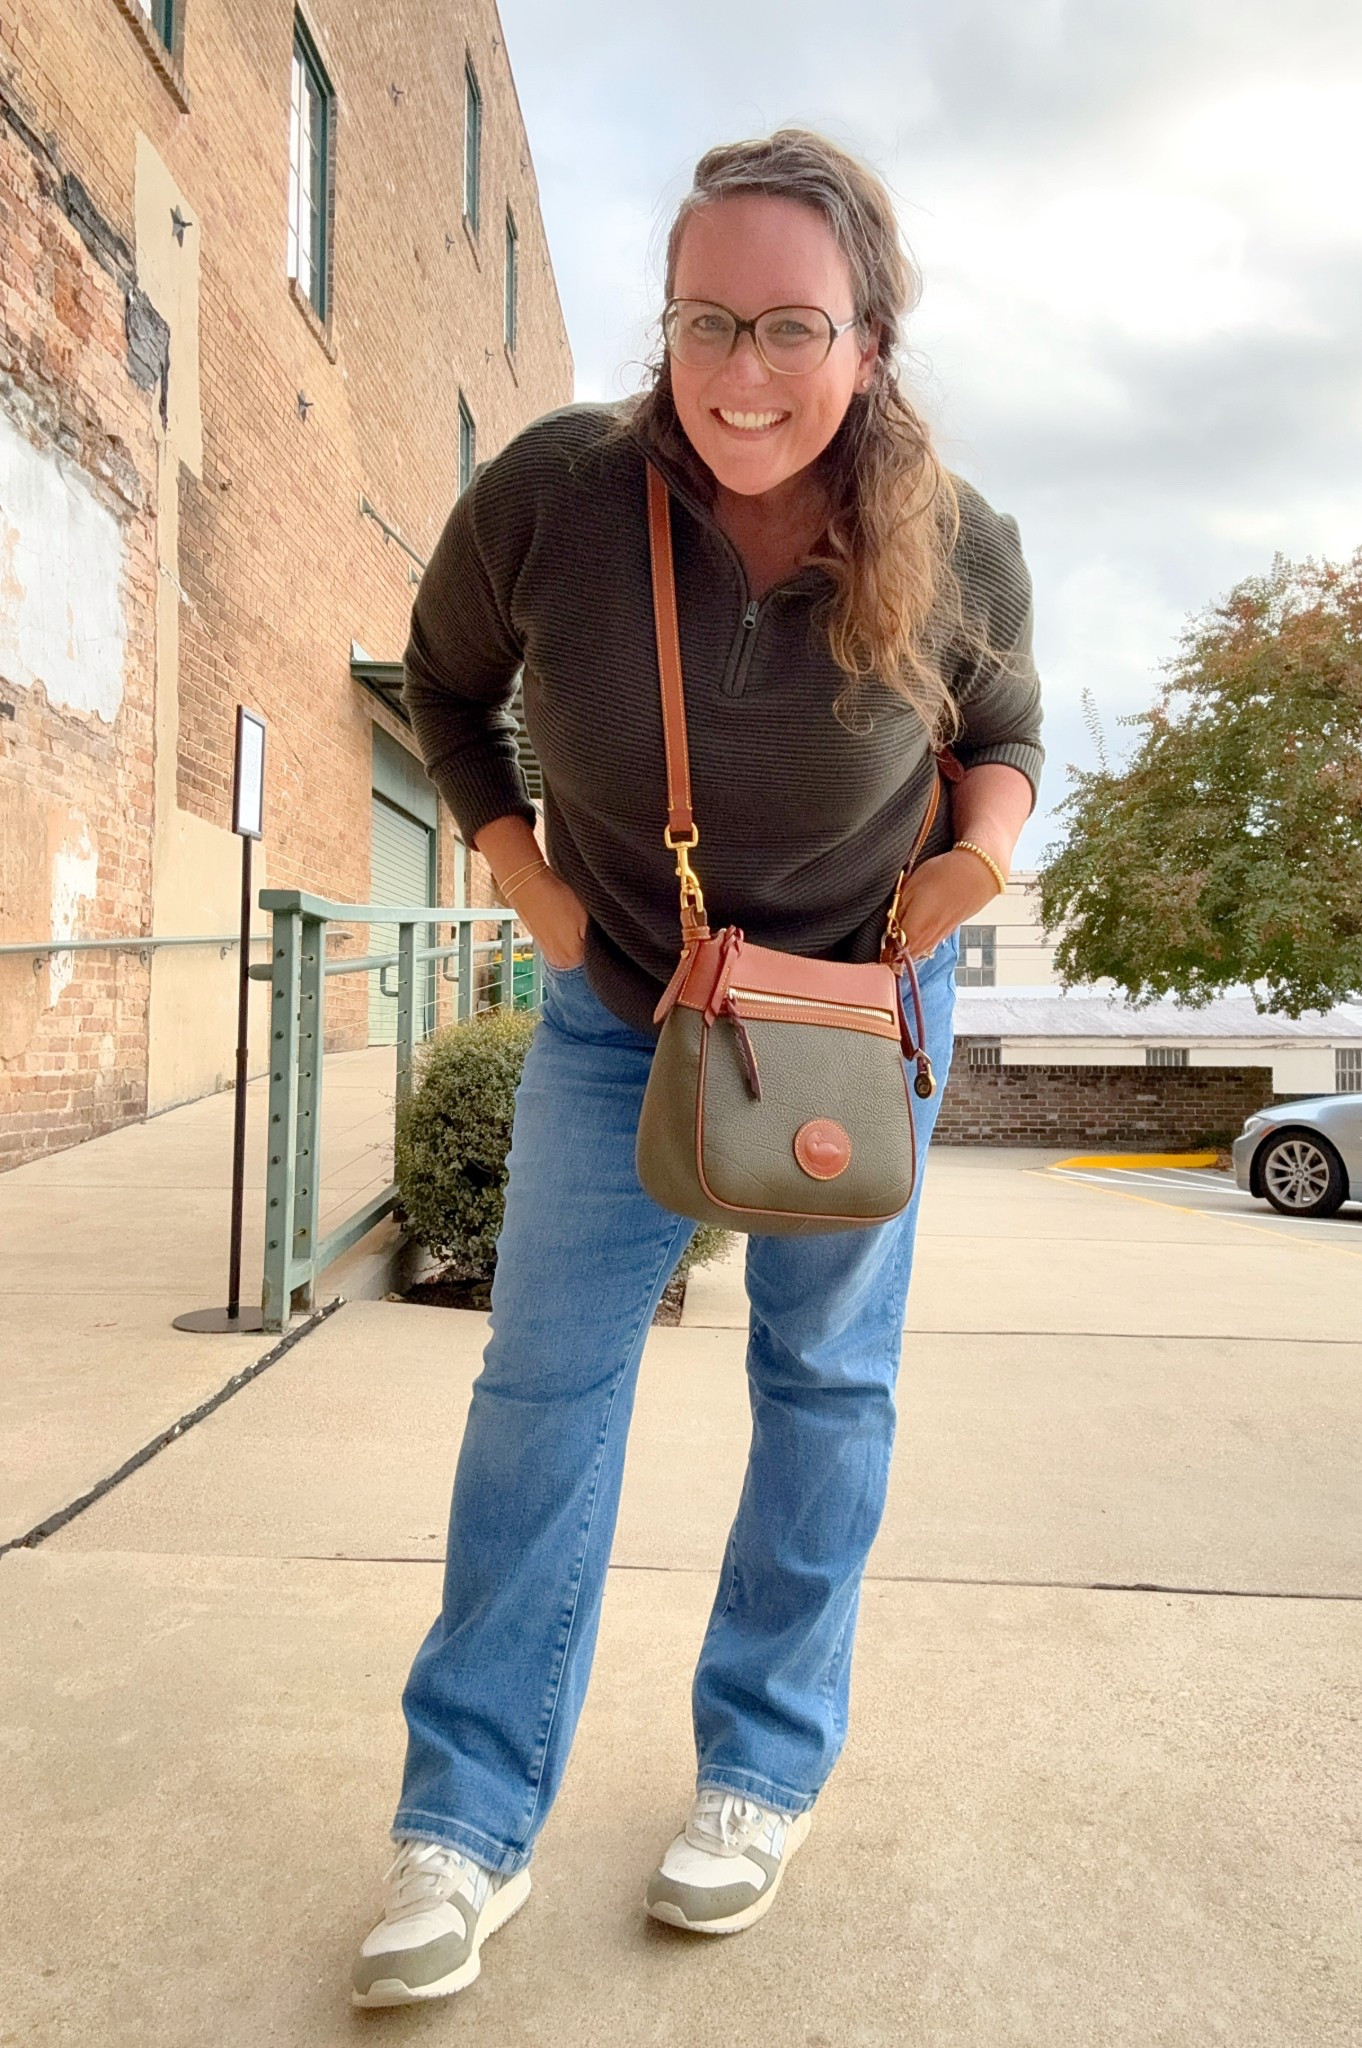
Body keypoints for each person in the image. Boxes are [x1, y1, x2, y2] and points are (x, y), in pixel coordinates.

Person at [351, 128, 1042, 2007]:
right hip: (623, 1004)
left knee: (822, 1383)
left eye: (792, 326)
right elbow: (444, 692)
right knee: (542, 1391)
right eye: (703, 321)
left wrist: (972, 871)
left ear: (869, 343)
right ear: (664, 323)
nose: (743, 370)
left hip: (848, 1011)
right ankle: (463, 1818)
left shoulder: (957, 538)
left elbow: (1002, 732)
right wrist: (525, 881)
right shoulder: (557, 495)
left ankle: (761, 1769)